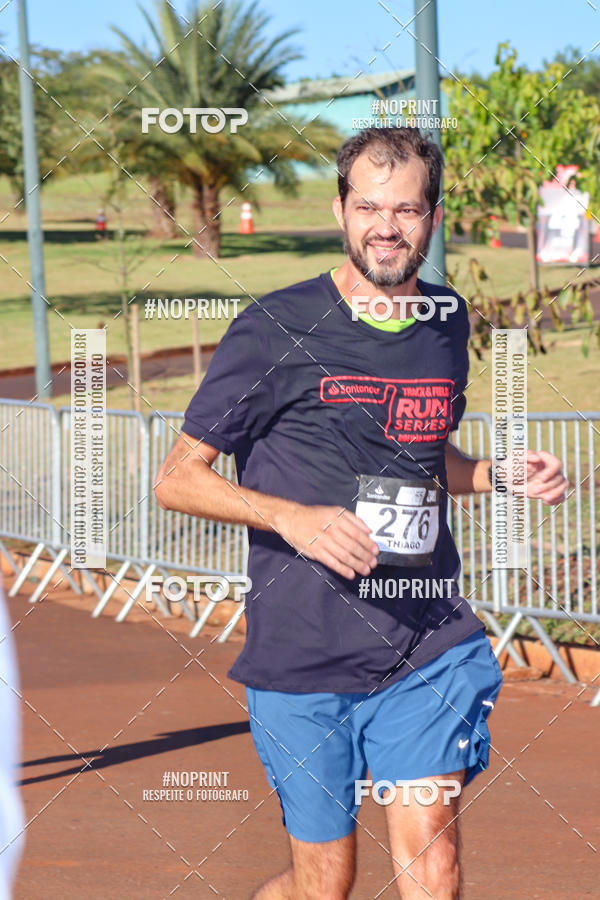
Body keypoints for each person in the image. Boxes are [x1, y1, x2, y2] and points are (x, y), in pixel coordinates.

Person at [154, 128, 567, 899]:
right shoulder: (277, 328)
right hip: (305, 652)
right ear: (340, 211)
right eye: (369, 207)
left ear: (433, 218)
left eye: (406, 209)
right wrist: (291, 517)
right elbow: (178, 479)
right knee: (325, 886)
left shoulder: (445, 322)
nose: (387, 226)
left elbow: (425, 460)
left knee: (432, 860)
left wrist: (502, 475)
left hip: (427, 639)